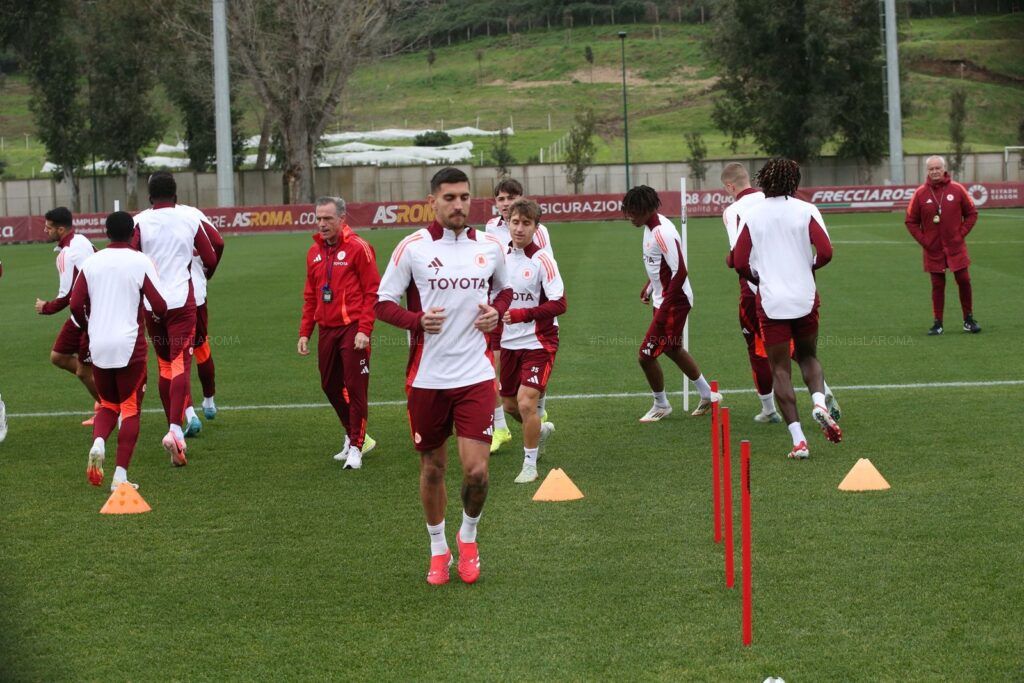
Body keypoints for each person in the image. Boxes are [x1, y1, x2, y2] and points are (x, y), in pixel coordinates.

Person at [375, 167, 512, 586]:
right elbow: (382, 302)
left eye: (465, 197)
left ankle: (467, 538)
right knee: (433, 469)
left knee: (477, 473)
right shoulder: (412, 247)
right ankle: (438, 549)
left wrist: (497, 312)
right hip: (427, 378)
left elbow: (503, 290)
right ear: (432, 200)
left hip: (474, 374)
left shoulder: (490, 246)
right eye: (450, 198)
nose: (458, 205)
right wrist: (416, 320)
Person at [730, 158, 842, 459]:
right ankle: (819, 401)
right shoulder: (806, 210)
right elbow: (827, 252)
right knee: (807, 356)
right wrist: (810, 266)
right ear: (794, 182)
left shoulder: (752, 214)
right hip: (805, 297)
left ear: (763, 181)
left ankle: (799, 441)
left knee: (779, 368)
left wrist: (757, 277)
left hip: (771, 301)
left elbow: (739, 261)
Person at [69, 211, 168, 491]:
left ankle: (99, 442)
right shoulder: (140, 261)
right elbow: (159, 306)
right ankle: (120, 477)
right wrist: (156, 318)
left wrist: (90, 323)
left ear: (107, 233)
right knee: (130, 408)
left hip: (98, 343)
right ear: (133, 234)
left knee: (109, 404)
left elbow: (76, 305)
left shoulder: (92, 261)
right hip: (128, 345)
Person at [132, 172, 220, 466]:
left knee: (165, 365)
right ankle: (174, 429)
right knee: (182, 361)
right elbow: (209, 256)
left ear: (149, 196)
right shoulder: (189, 218)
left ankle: (180, 419)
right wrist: (203, 275)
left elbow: (130, 257)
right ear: (176, 194)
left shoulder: (139, 222)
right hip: (182, 301)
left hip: (151, 303)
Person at [622, 185, 721, 422]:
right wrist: (649, 286)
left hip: (674, 302)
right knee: (672, 347)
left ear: (647, 209)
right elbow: (660, 265)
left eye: (634, 212)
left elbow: (680, 271)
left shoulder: (661, 232)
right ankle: (708, 394)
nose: (630, 217)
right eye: (628, 211)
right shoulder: (649, 227)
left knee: (645, 355)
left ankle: (661, 404)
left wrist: (665, 305)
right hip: (664, 299)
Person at [298, 196, 380, 469]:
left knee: (355, 388)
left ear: (342, 219)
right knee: (329, 385)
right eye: (318, 218)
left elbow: (372, 292)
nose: (322, 224)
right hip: (326, 330)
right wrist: (304, 332)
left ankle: (356, 446)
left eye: (328, 218)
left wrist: (364, 329)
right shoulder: (314, 252)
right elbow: (311, 295)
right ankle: (355, 434)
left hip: (353, 329)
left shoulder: (359, 248)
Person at [483, 178, 553, 453]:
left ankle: (536, 416)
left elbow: (545, 270)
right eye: (500, 198)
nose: (505, 203)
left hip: (529, 314)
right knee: (490, 371)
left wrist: (533, 310)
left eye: (511, 197)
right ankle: (500, 427)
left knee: (526, 390)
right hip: (499, 310)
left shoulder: (540, 232)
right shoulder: (490, 228)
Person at [498, 199, 566, 484]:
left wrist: (524, 314)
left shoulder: (542, 261)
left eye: (527, 223)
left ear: (536, 228)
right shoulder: (497, 258)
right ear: (508, 223)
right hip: (507, 344)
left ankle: (529, 463)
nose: (520, 228)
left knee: (527, 403)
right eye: (515, 222)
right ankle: (539, 431)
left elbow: (559, 303)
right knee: (510, 407)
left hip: (539, 342)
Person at [34, 206, 99, 425]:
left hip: (91, 314)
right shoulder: (82, 240)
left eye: (48, 227)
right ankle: (102, 388)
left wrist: (46, 307)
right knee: (59, 357)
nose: (45, 230)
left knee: (82, 372)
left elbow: (66, 295)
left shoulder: (66, 254)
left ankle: (110, 408)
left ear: (61, 229)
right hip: (81, 312)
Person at [904, 155, 981, 335]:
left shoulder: (957, 189)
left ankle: (968, 319)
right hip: (933, 250)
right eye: (931, 169)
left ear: (944, 169)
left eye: (938, 168)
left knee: (964, 280)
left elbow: (972, 214)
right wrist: (925, 241)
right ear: (927, 171)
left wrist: (960, 235)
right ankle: (938, 323)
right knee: (937, 285)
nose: (935, 171)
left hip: (956, 247)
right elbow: (910, 221)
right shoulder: (920, 194)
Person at [179, 204, 225, 435]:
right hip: (195, 293)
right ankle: (208, 400)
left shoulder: (145, 219)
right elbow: (217, 242)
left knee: (174, 359)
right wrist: (206, 273)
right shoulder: (192, 213)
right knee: (201, 348)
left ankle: (189, 413)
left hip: (164, 298)